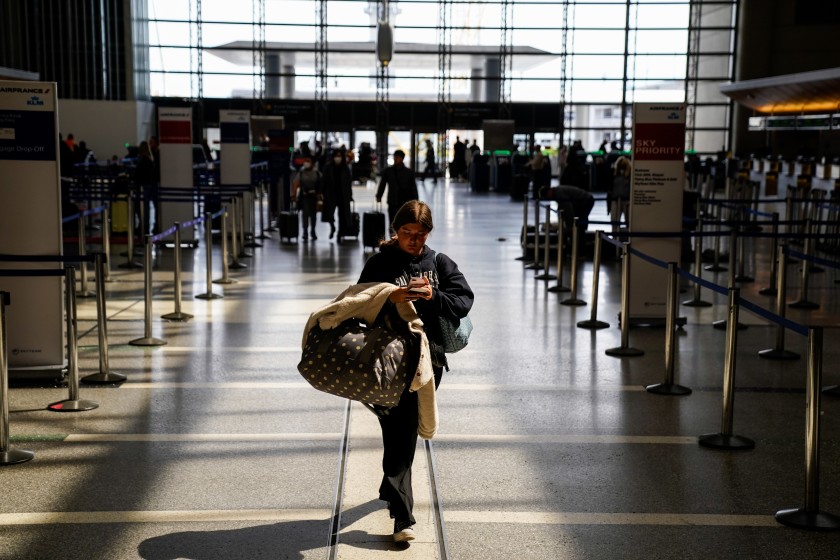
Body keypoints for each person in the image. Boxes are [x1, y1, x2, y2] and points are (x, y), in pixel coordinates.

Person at [357, 200, 474, 543]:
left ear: (428, 233)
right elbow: (359, 303)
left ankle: (394, 496)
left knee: (401, 432)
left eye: (419, 234)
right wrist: (393, 297)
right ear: (396, 231)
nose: (413, 240)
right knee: (399, 431)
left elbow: (464, 300)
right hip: (386, 362)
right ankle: (401, 513)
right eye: (406, 233)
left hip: (427, 362)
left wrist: (433, 294)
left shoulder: (437, 262)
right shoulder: (380, 262)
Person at [376, 149, 418, 225]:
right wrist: (379, 195)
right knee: (392, 223)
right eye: (395, 157)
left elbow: (413, 188)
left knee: (403, 223)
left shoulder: (409, 172)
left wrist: (415, 202)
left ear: (402, 159)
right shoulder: (388, 171)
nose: (395, 159)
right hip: (392, 201)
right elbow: (382, 184)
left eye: (397, 157)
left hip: (405, 202)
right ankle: (393, 236)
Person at [321, 148, 353, 241]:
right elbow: (324, 180)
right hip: (331, 194)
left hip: (342, 195)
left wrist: (350, 195)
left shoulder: (345, 168)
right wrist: (321, 192)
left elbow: (348, 183)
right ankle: (333, 227)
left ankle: (340, 233)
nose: (337, 158)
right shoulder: (328, 167)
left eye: (339, 156)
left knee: (342, 215)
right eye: (336, 156)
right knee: (329, 214)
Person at [291, 154, 322, 241]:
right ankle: (305, 231)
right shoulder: (301, 173)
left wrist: (320, 196)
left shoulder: (317, 173)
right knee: (305, 215)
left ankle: (313, 230)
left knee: (313, 215)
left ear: (312, 163)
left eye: (308, 161)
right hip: (304, 197)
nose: (306, 163)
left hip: (314, 197)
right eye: (306, 161)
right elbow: (295, 183)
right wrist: (293, 195)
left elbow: (321, 185)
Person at [134, 140, 158, 235]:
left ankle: (144, 226)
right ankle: (146, 226)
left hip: (143, 186)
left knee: (141, 207)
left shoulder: (142, 160)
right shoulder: (150, 159)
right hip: (150, 185)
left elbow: (139, 174)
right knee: (146, 207)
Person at [610, 155, 632, 226]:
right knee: (616, 221)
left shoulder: (614, 174)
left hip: (624, 201)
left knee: (627, 221)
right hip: (617, 200)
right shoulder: (614, 174)